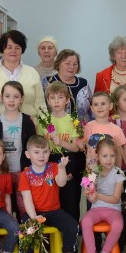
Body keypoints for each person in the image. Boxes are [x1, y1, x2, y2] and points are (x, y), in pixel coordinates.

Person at [18, 136, 80, 253]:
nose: (41, 155)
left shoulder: (53, 167)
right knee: (27, 228)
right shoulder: (25, 174)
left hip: (54, 211)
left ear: (49, 152)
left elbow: (62, 183)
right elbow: (27, 200)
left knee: (72, 225)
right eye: (37, 152)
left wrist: (62, 168)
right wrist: (34, 218)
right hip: (34, 212)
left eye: (45, 152)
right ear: (28, 154)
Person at [0, 81, 36, 217]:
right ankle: (9, 231)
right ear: (2, 97)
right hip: (2, 171)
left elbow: (33, 145)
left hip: (22, 170)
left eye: (16, 96)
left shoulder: (26, 121)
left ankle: (26, 230)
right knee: (5, 203)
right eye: (8, 96)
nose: (11, 100)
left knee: (23, 203)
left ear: (22, 99)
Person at [79, 138, 126, 253]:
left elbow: (115, 198)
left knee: (118, 225)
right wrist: (90, 195)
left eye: (112, 155)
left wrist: (97, 195)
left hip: (113, 209)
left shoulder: (119, 173)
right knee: (86, 221)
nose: (109, 159)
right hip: (97, 208)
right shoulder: (93, 172)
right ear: (98, 156)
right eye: (105, 156)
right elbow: (91, 197)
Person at [0, 30, 46, 121]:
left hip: (29, 129)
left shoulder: (33, 73)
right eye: (9, 47)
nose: (13, 51)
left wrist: (48, 128)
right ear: (2, 49)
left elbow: (41, 106)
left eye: (17, 47)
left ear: (22, 50)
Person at [37, 81, 81, 221]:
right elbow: (38, 145)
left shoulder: (72, 121)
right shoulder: (44, 120)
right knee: (51, 195)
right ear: (48, 101)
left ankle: (72, 227)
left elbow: (76, 147)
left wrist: (61, 142)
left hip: (67, 159)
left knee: (69, 196)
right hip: (48, 161)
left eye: (60, 97)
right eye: (52, 98)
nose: (56, 101)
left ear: (67, 100)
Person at [42, 48, 93, 124]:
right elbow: (42, 108)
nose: (72, 67)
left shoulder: (83, 83)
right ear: (59, 64)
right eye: (67, 63)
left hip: (83, 129)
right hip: (56, 129)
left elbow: (91, 108)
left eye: (75, 64)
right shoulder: (48, 82)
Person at [83, 92, 126, 170]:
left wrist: (117, 173)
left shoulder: (117, 130)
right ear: (92, 108)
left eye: (103, 104)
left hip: (110, 172)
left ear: (110, 106)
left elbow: (119, 154)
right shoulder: (87, 127)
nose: (99, 107)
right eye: (96, 104)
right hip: (92, 172)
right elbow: (84, 148)